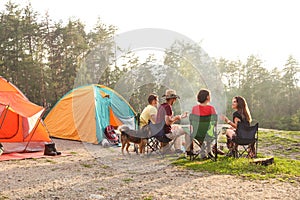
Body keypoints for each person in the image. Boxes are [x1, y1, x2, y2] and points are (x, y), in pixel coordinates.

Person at [155, 89, 192, 154]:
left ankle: (178, 149)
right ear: (173, 99)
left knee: (177, 127)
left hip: (159, 133)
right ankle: (188, 150)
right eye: (175, 99)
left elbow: (167, 122)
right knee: (189, 128)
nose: (175, 100)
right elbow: (168, 122)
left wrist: (180, 117)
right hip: (165, 135)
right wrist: (177, 118)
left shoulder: (162, 106)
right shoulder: (168, 107)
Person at [191, 89, 224, 157]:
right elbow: (215, 123)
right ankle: (209, 150)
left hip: (197, 134)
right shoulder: (211, 108)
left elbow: (193, 124)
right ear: (207, 97)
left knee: (201, 132)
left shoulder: (194, 108)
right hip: (209, 134)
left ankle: (203, 149)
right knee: (212, 131)